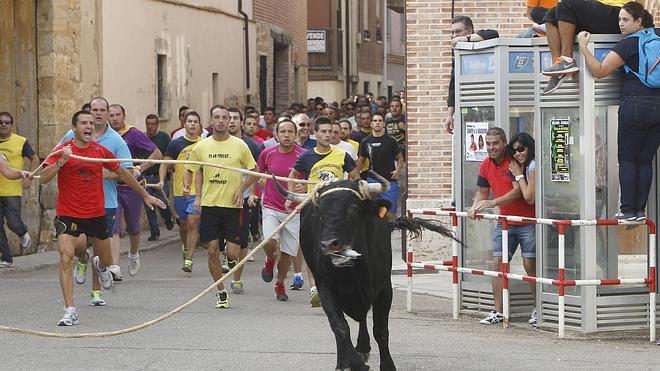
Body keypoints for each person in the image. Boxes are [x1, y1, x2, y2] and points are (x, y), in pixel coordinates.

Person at [40, 110, 164, 326]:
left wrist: (145, 195)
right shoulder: (63, 150)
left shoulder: (100, 151)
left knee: (106, 260)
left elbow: (124, 174)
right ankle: (70, 310)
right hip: (68, 213)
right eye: (84, 123)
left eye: (91, 123)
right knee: (66, 257)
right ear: (74, 128)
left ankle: (99, 265)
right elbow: (43, 178)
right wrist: (61, 162)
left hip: (96, 214)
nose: (89, 126)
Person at [577, 2, 658, 220]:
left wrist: (583, 46)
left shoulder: (629, 44)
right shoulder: (657, 36)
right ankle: (639, 211)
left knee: (628, 159)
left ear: (639, 21)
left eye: (626, 20)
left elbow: (600, 71)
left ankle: (628, 210)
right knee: (644, 159)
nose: (620, 24)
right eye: (619, 19)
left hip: (635, 104)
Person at [185, 106, 256, 309]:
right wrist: (195, 194)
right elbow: (191, 169)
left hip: (233, 206)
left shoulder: (240, 145)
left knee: (233, 253)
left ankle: (232, 261)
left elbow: (255, 171)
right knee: (212, 251)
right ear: (211, 120)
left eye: (226, 118)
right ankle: (221, 291)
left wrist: (242, 188)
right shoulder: (202, 146)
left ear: (230, 121)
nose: (222, 121)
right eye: (217, 117)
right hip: (210, 205)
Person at [59, 97, 133, 289]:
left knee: (103, 254)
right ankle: (83, 259)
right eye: (94, 110)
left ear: (107, 113)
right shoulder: (70, 135)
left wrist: (100, 173)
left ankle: (98, 283)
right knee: (79, 245)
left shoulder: (114, 140)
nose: (98, 114)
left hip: (105, 202)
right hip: (75, 205)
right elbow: (55, 158)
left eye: (102, 110)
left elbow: (126, 171)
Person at [467, 127, 536, 325]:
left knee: (530, 264)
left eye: (495, 143)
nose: (491, 147)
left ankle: (537, 308)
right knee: (497, 263)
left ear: (504, 142)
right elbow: (482, 191)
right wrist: (475, 207)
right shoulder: (485, 164)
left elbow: (518, 192)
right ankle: (498, 310)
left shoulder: (513, 160)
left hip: (526, 221)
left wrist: (492, 203)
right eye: (488, 144)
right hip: (505, 222)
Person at [289, 115, 359, 306]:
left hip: (335, 211)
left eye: (331, 132)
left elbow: (355, 177)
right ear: (315, 133)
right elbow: (293, 175)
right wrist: (291, 195)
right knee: (313, 249)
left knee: (337, 246)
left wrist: (350, 195)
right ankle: (314, 289)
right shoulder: (306, 156)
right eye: (324, 132)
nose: (328, 135)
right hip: (313, 208)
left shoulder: (342, 155)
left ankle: (338, 283)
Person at [245, 119, 306, 301]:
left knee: (288, 253)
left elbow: (311, 178)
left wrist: (305, 189)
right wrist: (254, 193)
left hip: (294, 210)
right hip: (271, 206)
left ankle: (280, 284)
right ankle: (270, 260)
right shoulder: (267, 153)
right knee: (269, 241)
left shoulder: (303, 155)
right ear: (276, 135)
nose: (286, 135)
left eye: (290, 132)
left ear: (296, 135)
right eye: (283, 132)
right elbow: (256, 174)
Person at [108, 104, 163, 277]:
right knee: (114, 227)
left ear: (124, 116)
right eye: (112, 115)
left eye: (118, 115)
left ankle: (133, 253)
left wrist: (140, 168)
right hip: (112, 187)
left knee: (133, 227)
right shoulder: (105, 135)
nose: (115, 118)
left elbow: (157, 154)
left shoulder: (134, 134)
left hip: (132, 186)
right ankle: (114, 267)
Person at [541, 0, 631, 94]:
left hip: (616, 14)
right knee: (550, 16)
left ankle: (567, 60)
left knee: (566, 4)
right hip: (597, 13)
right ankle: (558, 69)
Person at [160, 111, 202, 272]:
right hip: (179, 191)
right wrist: (162, 180)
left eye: (195, 121)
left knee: (192, 223)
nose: (192, 124)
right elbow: (164, 164)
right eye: (189, 121)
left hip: (196, 191)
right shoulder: (175, 144)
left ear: (199, 125)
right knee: (184, 224)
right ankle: (186, 247)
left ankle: (189, 259)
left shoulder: (204, 144)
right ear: (184, 124)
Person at [227, 107, 262, 294]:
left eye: (234, 118)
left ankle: (237, 278)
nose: (231, 121)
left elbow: (256, 171)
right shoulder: (213, 143)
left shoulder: (252, 146)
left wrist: (253, 193)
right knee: (217, 244)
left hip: (243, 199)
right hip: (218, 200)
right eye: (228, 118)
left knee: (239, 244)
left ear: (240, 122)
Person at [444, 17, 499, 134]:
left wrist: (465, 39)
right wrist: (450, 115)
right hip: (470, 104)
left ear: (469, 31)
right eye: (452, 33)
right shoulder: (459, 54)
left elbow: (493, 34)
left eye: (458, 31)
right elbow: (453, 85)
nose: (454, 36)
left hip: (491, 101)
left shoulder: (482, 42)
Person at [0, 111, 38, 267]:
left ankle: (22, 232)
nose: (3, 125)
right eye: (0, 122)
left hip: (12, 190)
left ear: (11, 125)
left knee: (13, 223)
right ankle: (7, 258)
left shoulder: (20, 141)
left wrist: (30, 177)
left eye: (6, 122)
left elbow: (34, 158)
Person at [507, 132, 538, 325]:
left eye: (521, 149)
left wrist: (518, 175)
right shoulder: (527, 166)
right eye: (514, 150)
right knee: (529, 266)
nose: (518, 154)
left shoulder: (532, 166)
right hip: (531, 219)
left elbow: (529, 196)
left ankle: (538, 306)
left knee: (531, 265)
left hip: (535, 220)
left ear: (529, 148)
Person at [357, 113, 404, 220]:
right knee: (373, 213)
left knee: (390, 214)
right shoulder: (365, 142)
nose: (377, 123)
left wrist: (398, 170)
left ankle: (388, 235)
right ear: (371, 124)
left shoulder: (391, 140)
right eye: (375, 121)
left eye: (379, 121)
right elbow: (361, 160)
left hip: (389, 181)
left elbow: (400, 158)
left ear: (383, 124)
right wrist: (357, 175)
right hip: (372, 181)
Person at [143, 114, 174, 241]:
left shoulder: (164, 137)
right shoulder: (142, 138)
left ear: (157, 125)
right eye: (148, 124)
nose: (150, 127)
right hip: (146, 177)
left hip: (160, 177)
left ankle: (168, 218)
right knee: (149, 206)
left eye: (153, 124)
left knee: (163, 202)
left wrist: (170, 170)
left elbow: (169, 154)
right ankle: (154, 232)